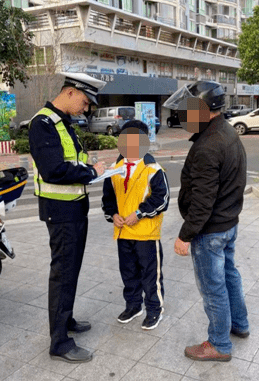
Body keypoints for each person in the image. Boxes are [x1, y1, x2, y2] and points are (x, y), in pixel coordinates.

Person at [164, 81, 249, 362]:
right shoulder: (225, 131)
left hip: (210, 230)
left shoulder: (208, 146)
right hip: (227, 223)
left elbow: (202, 202)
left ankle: (220, 344)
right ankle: (239, 324)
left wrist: (184, 235)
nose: (183, 116)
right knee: (229, 276)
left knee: (213, 288)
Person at [28, 72, 107, 364]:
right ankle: (59, 342)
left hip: (74, 208)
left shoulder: (63, 122)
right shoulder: (43, 124)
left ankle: (66, 319)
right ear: (71, 92)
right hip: (60, 212)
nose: (85, 109)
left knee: (70, 270)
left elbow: (72, 157)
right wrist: (92, 173)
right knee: (62, 274)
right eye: (85, 102)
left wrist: (92, 163)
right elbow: (53, 171)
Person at [101, 120, 170, 330]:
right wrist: (112, 214)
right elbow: (108, 198)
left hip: (146, 234)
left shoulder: (153, 169)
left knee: (151, 275)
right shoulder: (114, 169)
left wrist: (139, 213)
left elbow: (162, 199)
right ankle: (133, 306)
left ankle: (154, 309)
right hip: (123, 232)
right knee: (128, 273)